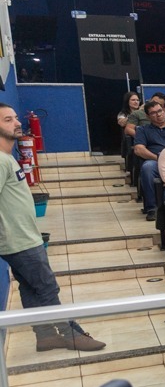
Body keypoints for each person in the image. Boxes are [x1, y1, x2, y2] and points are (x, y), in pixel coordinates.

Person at [0, 103, 105, 352]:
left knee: (30, 287)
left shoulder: (7, 158)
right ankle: (71, 334)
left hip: (23, 236)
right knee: (47, 287)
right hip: (18, 239)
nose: (16, 123)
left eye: (15, 118)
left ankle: (45, 335)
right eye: (7, 119)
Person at [134, 100, 165, 220]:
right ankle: (152, 208)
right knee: (147, 168)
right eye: (153, 113)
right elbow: (139, 149)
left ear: (164, 111)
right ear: (148, 116)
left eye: (160, 111)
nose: (158, 114)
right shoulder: (142, 130)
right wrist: (159, 159)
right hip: (155, 160)